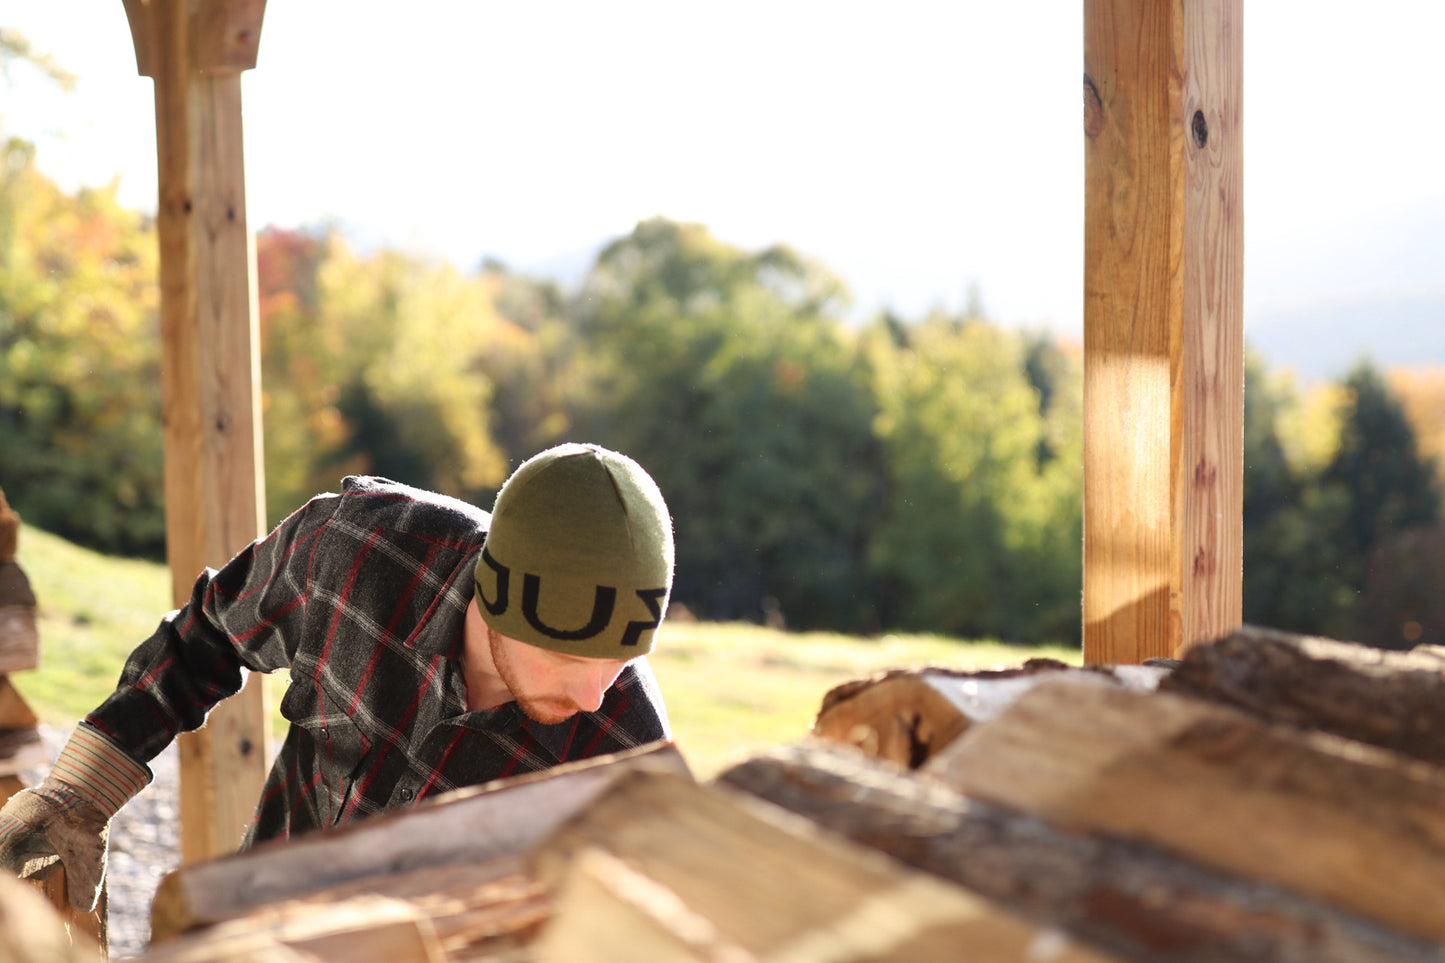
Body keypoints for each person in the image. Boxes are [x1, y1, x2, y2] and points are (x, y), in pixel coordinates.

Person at [0, 443, 674, 911]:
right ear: (491, 601)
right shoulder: (352, 551)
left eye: (619, 665)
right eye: (569, 661)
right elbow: (206, 634)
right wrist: (77, 797)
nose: (593, 696)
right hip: (253, 924)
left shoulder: (630, 747)